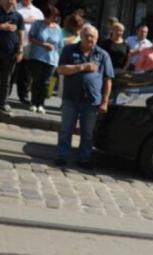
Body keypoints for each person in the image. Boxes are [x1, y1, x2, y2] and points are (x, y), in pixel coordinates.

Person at [54, 24, 113, 169]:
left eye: (92, 36)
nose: (89, 39)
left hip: (92, 101)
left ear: (97, 38)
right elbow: (61, 69)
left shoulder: (102, 54)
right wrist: (82, 67)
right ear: (81, 36)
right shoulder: (69, 50)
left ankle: (84, 159)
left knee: (87, 132)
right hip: (71, 98)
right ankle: (62, 156)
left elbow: (108, 79)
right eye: (87, 35)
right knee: (66, 129)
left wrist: (105, 101)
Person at [26, 4, 60, 113]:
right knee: (37, 80)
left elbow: (60, 44)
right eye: (53, 16)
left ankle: (41, 103)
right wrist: (43, 44)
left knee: (46, 82)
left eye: (56, 16)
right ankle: (33, 102)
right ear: (47, 16)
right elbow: (31, 38)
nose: (55, 18)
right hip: (37, 57)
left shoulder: (58, 28)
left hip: (52, 59)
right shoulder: (38, 24)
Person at [14, 0, 42, 106]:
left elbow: (42, 27)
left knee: (26, 73)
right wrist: (24, 20)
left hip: (30, 46)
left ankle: (23, 96)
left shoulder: (37, 12)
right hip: (15, 45)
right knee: (11, 72)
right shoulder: (15, 7)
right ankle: (4, 96)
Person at [0, 0, 24, 116]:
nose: (10, 3)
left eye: (12, 1)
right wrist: (2, 26)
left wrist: (20, 50)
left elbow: (21, 33)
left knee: (6, 79)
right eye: (8, 1)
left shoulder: (18, 16)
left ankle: (3, 102)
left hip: (10, 53)